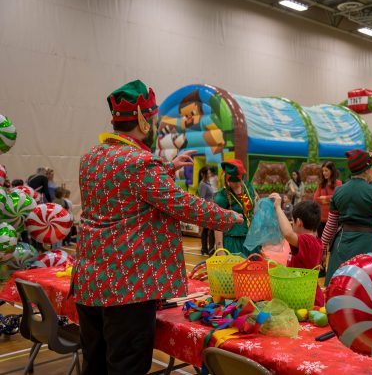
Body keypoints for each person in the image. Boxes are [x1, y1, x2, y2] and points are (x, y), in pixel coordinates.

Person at [71, 79, 243, 375]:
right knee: (127, 367)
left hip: (90, 282)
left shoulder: (91, 158)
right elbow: (183, 205)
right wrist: (229, 217)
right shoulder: (140, 163)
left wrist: (166, 167)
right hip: (127, 288)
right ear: (143, 120)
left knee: (96, 364)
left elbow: (120, 186)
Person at [321, 149, 372, 285]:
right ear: (366, 170)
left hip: (341, 247)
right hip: (367, 248)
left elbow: (331, 225)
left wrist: (321, 248)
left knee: (340, 288)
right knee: (365, 291)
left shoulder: (339, 191)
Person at [269, 193, 324, 306]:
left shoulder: (308, 241)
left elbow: (288, 234)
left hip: (305, 299)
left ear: (298, 222)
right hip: (301, 295)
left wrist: (278, 207)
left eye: (292, 221)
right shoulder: (312, 240)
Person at [214, 159, 258, 257]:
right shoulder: (222, 197)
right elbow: (217, 224)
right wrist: (220, 249)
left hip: (251, 240)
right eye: (233, 182)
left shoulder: (248, 187)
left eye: (239, 181)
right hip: (232, 241)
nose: (237, 184)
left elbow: (254, 204)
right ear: (227, 180)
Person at [314, 161, 342, 238]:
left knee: (332, 243)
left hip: (333, 219)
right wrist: (330, 199)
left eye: (326, 170)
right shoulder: (321, 184)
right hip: (321, 219)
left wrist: (325, 198)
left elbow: (338, 197)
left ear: (332, 171)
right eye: (323, 171)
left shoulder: (338, 183)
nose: (324, 173)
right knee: (320, 242)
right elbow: (316, 198)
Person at [198, 166, 215, 255]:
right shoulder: (202, 184)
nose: (210, 174)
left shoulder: (208, 183)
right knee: (210, 229)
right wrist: (204, 210)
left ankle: (205, 248)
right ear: (203, 174)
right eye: (208, 173)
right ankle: (209, 248)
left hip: (211, 208)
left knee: (207, 229)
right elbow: (202, 198)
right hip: (207, 209)